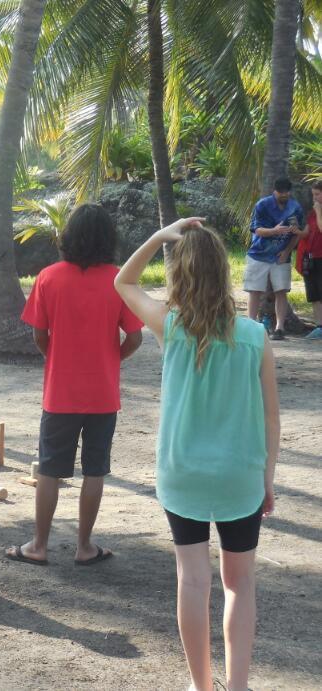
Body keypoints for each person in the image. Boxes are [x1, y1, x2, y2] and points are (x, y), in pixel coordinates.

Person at [115, 219, 278, 691]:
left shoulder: (171, 326)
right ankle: (238, 685)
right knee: (239, 583)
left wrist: (158, 236)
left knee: (191, 579)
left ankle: (201, 685)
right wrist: (267, 477)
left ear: (180, 273)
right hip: (239, 475)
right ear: (224, 273)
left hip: (182, 471)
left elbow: (123, 281)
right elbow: (271, 418)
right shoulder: (255, 336)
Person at [7, 204, 143, 567]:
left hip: (60, 392)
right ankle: (84, 546)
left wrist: (54, 356)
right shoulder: (119, 281)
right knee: (95, 470)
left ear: (68, 236)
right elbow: (135, 337)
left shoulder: (48, 277)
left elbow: (39, 334)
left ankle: (39, 545)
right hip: (102, 393)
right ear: (109, 239)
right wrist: (111, 359)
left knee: (49, 469)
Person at [244, 177, 305, 340]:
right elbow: (256, 229)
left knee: (281, 291)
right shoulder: (262, 205)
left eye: (286, 192)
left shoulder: (295, 207)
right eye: (280, 192)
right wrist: (274, 231)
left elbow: (297, 233)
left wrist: (287, 251)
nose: (284, 195)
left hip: (281, 256)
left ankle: (280, 328)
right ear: (274, 191)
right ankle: (251, 325)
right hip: (259, 253)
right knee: (254, 290)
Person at [295, 179, 322, 339]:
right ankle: (319, 326)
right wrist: (296, 231)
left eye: (317, 194)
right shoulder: (312, 212)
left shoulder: (317, 211)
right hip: (310, 257)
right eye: (313, 195)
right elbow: (307, 231)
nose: (315, 198)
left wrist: (319, 212)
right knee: (314, 294)